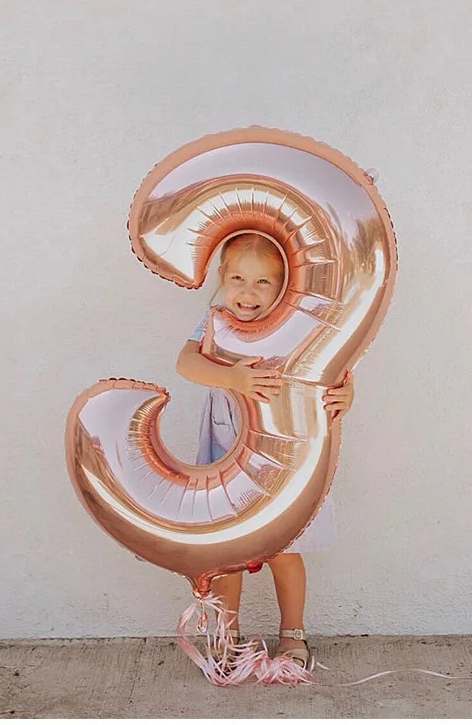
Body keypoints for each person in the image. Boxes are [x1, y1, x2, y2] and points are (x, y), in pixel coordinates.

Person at [176, 233, 355, 669]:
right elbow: (185, 362)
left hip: (284, 454)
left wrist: (348, 393)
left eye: (263, 283)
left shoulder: (298, 324)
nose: (248, 292)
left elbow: (338, 366)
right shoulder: (216, 321)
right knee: (230, 551)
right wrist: (231, 378)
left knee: (284, 548)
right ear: (221, 278)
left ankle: (293, 632)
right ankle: (228, 635)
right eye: (238, 278)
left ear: (284, 287)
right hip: (227, 446)